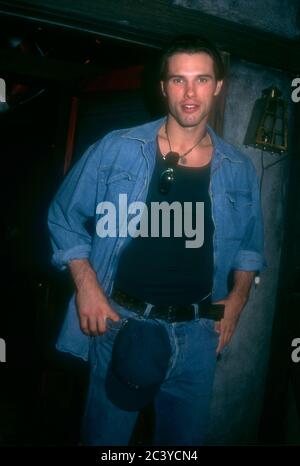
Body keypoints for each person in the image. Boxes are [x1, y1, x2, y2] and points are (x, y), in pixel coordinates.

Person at [48, 35, 266, 446]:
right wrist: (87, 285)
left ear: (217, 87)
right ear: (163, 86)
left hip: (199, 336)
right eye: (178, 80)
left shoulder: (238, 168)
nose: (189, 93)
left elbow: (251, 249)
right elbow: (63, 217)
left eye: (201, 80)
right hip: (119, 324)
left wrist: (236, 303)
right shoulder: (118, 149)